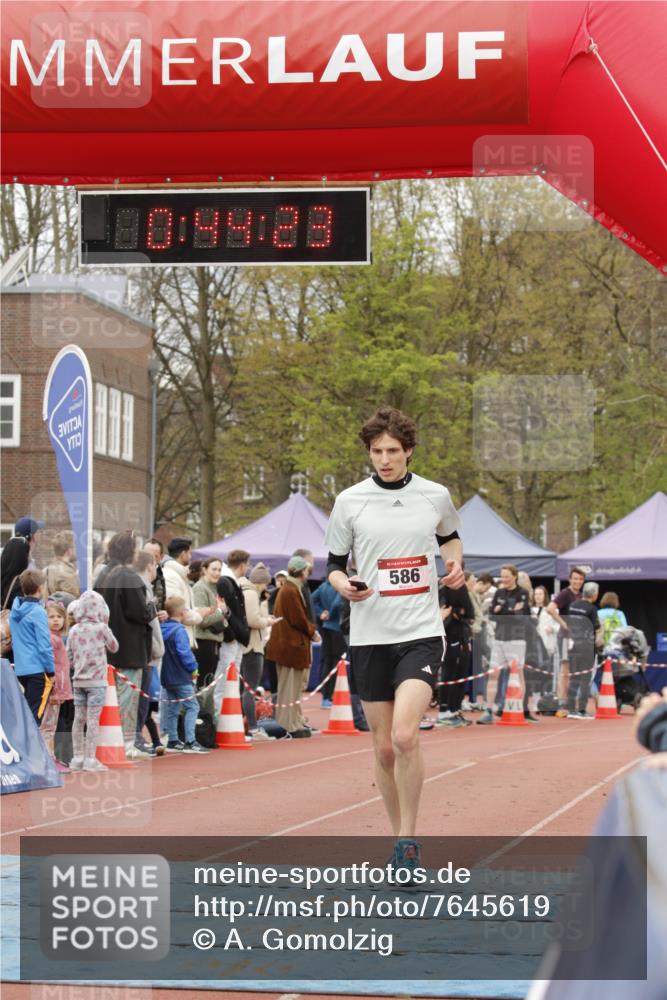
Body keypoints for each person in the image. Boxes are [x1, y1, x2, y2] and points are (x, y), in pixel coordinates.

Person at [325, 406, 463, 869]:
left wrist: (455, 563)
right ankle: (396, 836)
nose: (384, 460)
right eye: (376, 451)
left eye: (392, 451)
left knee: (405, 735)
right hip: (370, 634)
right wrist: (343, 585)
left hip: (421, 631)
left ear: (409, 451)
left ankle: (408, 840)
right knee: (383, 748)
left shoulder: (434, 495)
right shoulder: (350, 501)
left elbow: (450, 537)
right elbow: (334, 564)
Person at [95, 530, 157, 760]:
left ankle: (110, 742)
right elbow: (140, 611)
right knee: (127, 700)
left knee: (110, 699)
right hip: (129, 647)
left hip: (107, 647)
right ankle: (126, 743)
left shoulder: (103, 574)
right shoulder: (129, 577)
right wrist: (152, 606)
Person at [265, 556, 321, 737]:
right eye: (306, 569)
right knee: (290, 688)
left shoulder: (290, 588)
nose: (308, 573)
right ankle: (289, 724)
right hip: (290, 646)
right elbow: (298, 619)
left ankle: (294, 721)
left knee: (292, 688)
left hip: (288, 645)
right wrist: (312, 632)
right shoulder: (290, 590)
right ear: (301, 571)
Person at [68, 590, 119, 771]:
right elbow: (114, 647)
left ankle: (77, 758)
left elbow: (69, 655)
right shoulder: (101, 628)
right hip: (97, 681)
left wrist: (78, 665)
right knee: (92, 720)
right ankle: (90, 759)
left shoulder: (74, 630)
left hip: (78, 680)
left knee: (78, 719)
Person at [482, 564, 533, 724]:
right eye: (502, 576)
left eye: (507, 576)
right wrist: (509, 610)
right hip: (499, 638)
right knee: (493, 674)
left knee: (518, 674)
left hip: (516, 639)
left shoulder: (522, 593)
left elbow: (520, 616)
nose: (504, 579)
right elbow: (492, 615)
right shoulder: (499, 592)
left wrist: (502, 610)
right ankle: (488, 710)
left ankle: (518, 709)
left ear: (514, 576)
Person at [160, 596, 209, 754]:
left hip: (166, 676)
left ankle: (173, 740)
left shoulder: (161, 628)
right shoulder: (180, 631)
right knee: (192, 706)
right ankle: (190, 741)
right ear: (182, 613)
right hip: (181, 676)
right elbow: (184, 653)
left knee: (172, 708)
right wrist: (194, 668)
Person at [9, 568, 55, 723]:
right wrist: (51, 671)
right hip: (37, 670)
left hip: (21, 670)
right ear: (40, 588)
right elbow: (44, 645)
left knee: (25, 715)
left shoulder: (14, 613)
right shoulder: (38, 612)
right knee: (35, 717)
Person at [238, 563, 277, 741]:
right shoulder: (251, 593)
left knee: (244, 689)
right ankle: (253, 729)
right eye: (265, 583)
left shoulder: (245, 591)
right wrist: (268, 621)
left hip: (246, 646)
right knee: (250, 690)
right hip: (253, 646)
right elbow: (253, 621)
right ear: (261, 582)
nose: (265, 587)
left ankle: (240, 726)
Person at [133, 551, 166, 756]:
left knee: (143, 699)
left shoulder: (145, 588)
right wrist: (156, 649)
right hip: (145, 652)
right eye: (155, 565)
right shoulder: (141, 587)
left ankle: (140, 738)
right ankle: (136, 738)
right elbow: (145, 621)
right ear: (149, 566)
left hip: (148, 650)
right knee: (141, 699)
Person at [214, 549, 251, 712]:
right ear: (242, 565)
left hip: (236, 637)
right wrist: (230, 634)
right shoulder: (225, 582)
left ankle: (228, 717)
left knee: (231, 682)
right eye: (247, 565)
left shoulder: (232, 582)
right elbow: (224, 611)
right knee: (223, 682)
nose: (248, 568)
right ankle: (218, 718)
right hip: (230, 638)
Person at [547, 567, 587, 718]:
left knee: (575, 671)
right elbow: (550, 608)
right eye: (575, 578)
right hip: (565, 637)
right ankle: (562, 703)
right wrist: (564, 624)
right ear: (570, 579)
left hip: (578, 639)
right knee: (565, 670)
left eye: (580, 579)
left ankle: (570, 703)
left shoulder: (582, 596)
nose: (578, 581)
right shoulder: (565, 594)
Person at [436, 580, 475, 727]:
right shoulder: (444, 590)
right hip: (450, 637)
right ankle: (444, 710)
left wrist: (460, 614)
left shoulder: (461, 588)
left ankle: (455, 709)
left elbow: (469, 613)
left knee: (460, 674)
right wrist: (454, 613)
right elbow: (447, 613)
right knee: (449, 673)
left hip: (462, 637)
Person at [40, 599, 73, 771]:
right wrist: (55, 688)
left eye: (59, 617)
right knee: (48, 725)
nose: (56, 620)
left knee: (50, 725)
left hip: (58, 687)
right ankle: (48, 759)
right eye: (51, 616)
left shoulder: (57, 638)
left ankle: (50, 757)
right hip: (54, 689)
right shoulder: (52, 639)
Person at [566, 582, 603, 719]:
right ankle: (581, 709)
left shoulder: (572, 605)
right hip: (587, 646)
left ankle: (570, 708)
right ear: (594, 595)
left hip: (573, 644)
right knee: (586, 679)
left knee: (574, 677)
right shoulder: (592, 609)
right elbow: (597, 628)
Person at [191, 558, 229, 687]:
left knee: (208, 684)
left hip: (214, 642)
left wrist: (224, 613)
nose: (217, 573)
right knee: (202, 685)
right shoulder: (200, 588)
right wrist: (221, 611)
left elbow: (224, 617)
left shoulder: (215, 588)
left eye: (219, 570)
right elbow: (202, 619)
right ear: (204, 569)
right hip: (203, 644)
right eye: (214, 569)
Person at [162, 538, 206, 647]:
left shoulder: (180, 575)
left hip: (183, 638)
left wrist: (197, 611)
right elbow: (176, 610)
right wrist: (200, 615)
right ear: (183, 554)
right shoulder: (170, 575)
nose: (191, 557)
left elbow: (186, 606)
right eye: (190, 553)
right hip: (177, 641)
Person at [312, 575, 346, 708]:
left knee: (326, 661)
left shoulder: (323, 586)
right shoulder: (340, 586)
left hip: (326, 628)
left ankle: (326, 696)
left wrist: (321, 613)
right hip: (337, 628)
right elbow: (337, 603)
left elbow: (311, 598)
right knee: (336, 663)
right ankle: (329, 696)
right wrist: (329, 614)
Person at [1, 517, 45, 610]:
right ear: (32, 536)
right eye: (38, 532)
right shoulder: (25, 564)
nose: (40, 534)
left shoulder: (12, 556)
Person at [45, 531, 80, 598]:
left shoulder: (49, 568)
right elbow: (74, 600)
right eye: (76, 547)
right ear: (69, 551)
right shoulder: (67, 574)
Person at [143, 538, 166, 611]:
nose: (150, 559)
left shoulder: (160, 574)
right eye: (147, 555)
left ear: (161, 557)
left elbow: (163, 602)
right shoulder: (134, 575)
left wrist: (164, 613)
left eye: (155, 556)